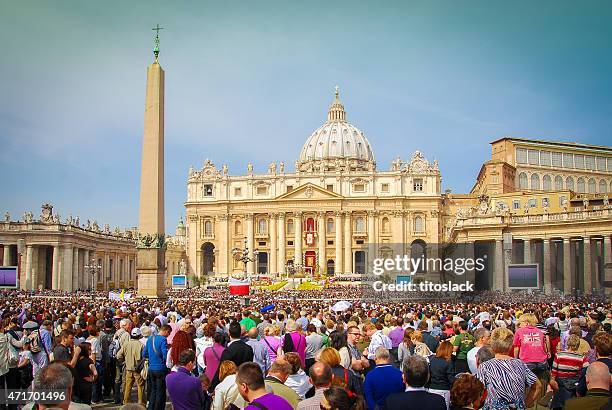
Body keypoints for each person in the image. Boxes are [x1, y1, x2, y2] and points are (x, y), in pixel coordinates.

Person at [475, 326, 541, 409]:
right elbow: (537, 386)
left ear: (492, 345)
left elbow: (476, 392)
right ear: (510, 345)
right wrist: (524, 405)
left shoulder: (486, 366)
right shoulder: (520, 364)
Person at [142, 324, 170, 410]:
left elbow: (144, 353)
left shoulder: (150, 339)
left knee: (153, 391)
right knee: (160, 392)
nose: (168, 335)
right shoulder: (163, 339)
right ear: (165, 331)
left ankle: (151, 407)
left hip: (151, 368)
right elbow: (165, 355)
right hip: (160, 368)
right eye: (168, 333)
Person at [117, 327, 146, 406]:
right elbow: (145, 357)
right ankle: (141, 404)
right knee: (140, 387)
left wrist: (124, 361)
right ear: (139, 335)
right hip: (138, 370)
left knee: (128, 387)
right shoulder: (141, 345)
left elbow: (118, 355)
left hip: (128, 369)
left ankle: (125, 403)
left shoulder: (126, 344)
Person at [428, 341, 455, 407]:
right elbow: (451, 379)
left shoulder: (432, 360)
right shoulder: (448, 362)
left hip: (432, 389)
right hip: (444, 390)